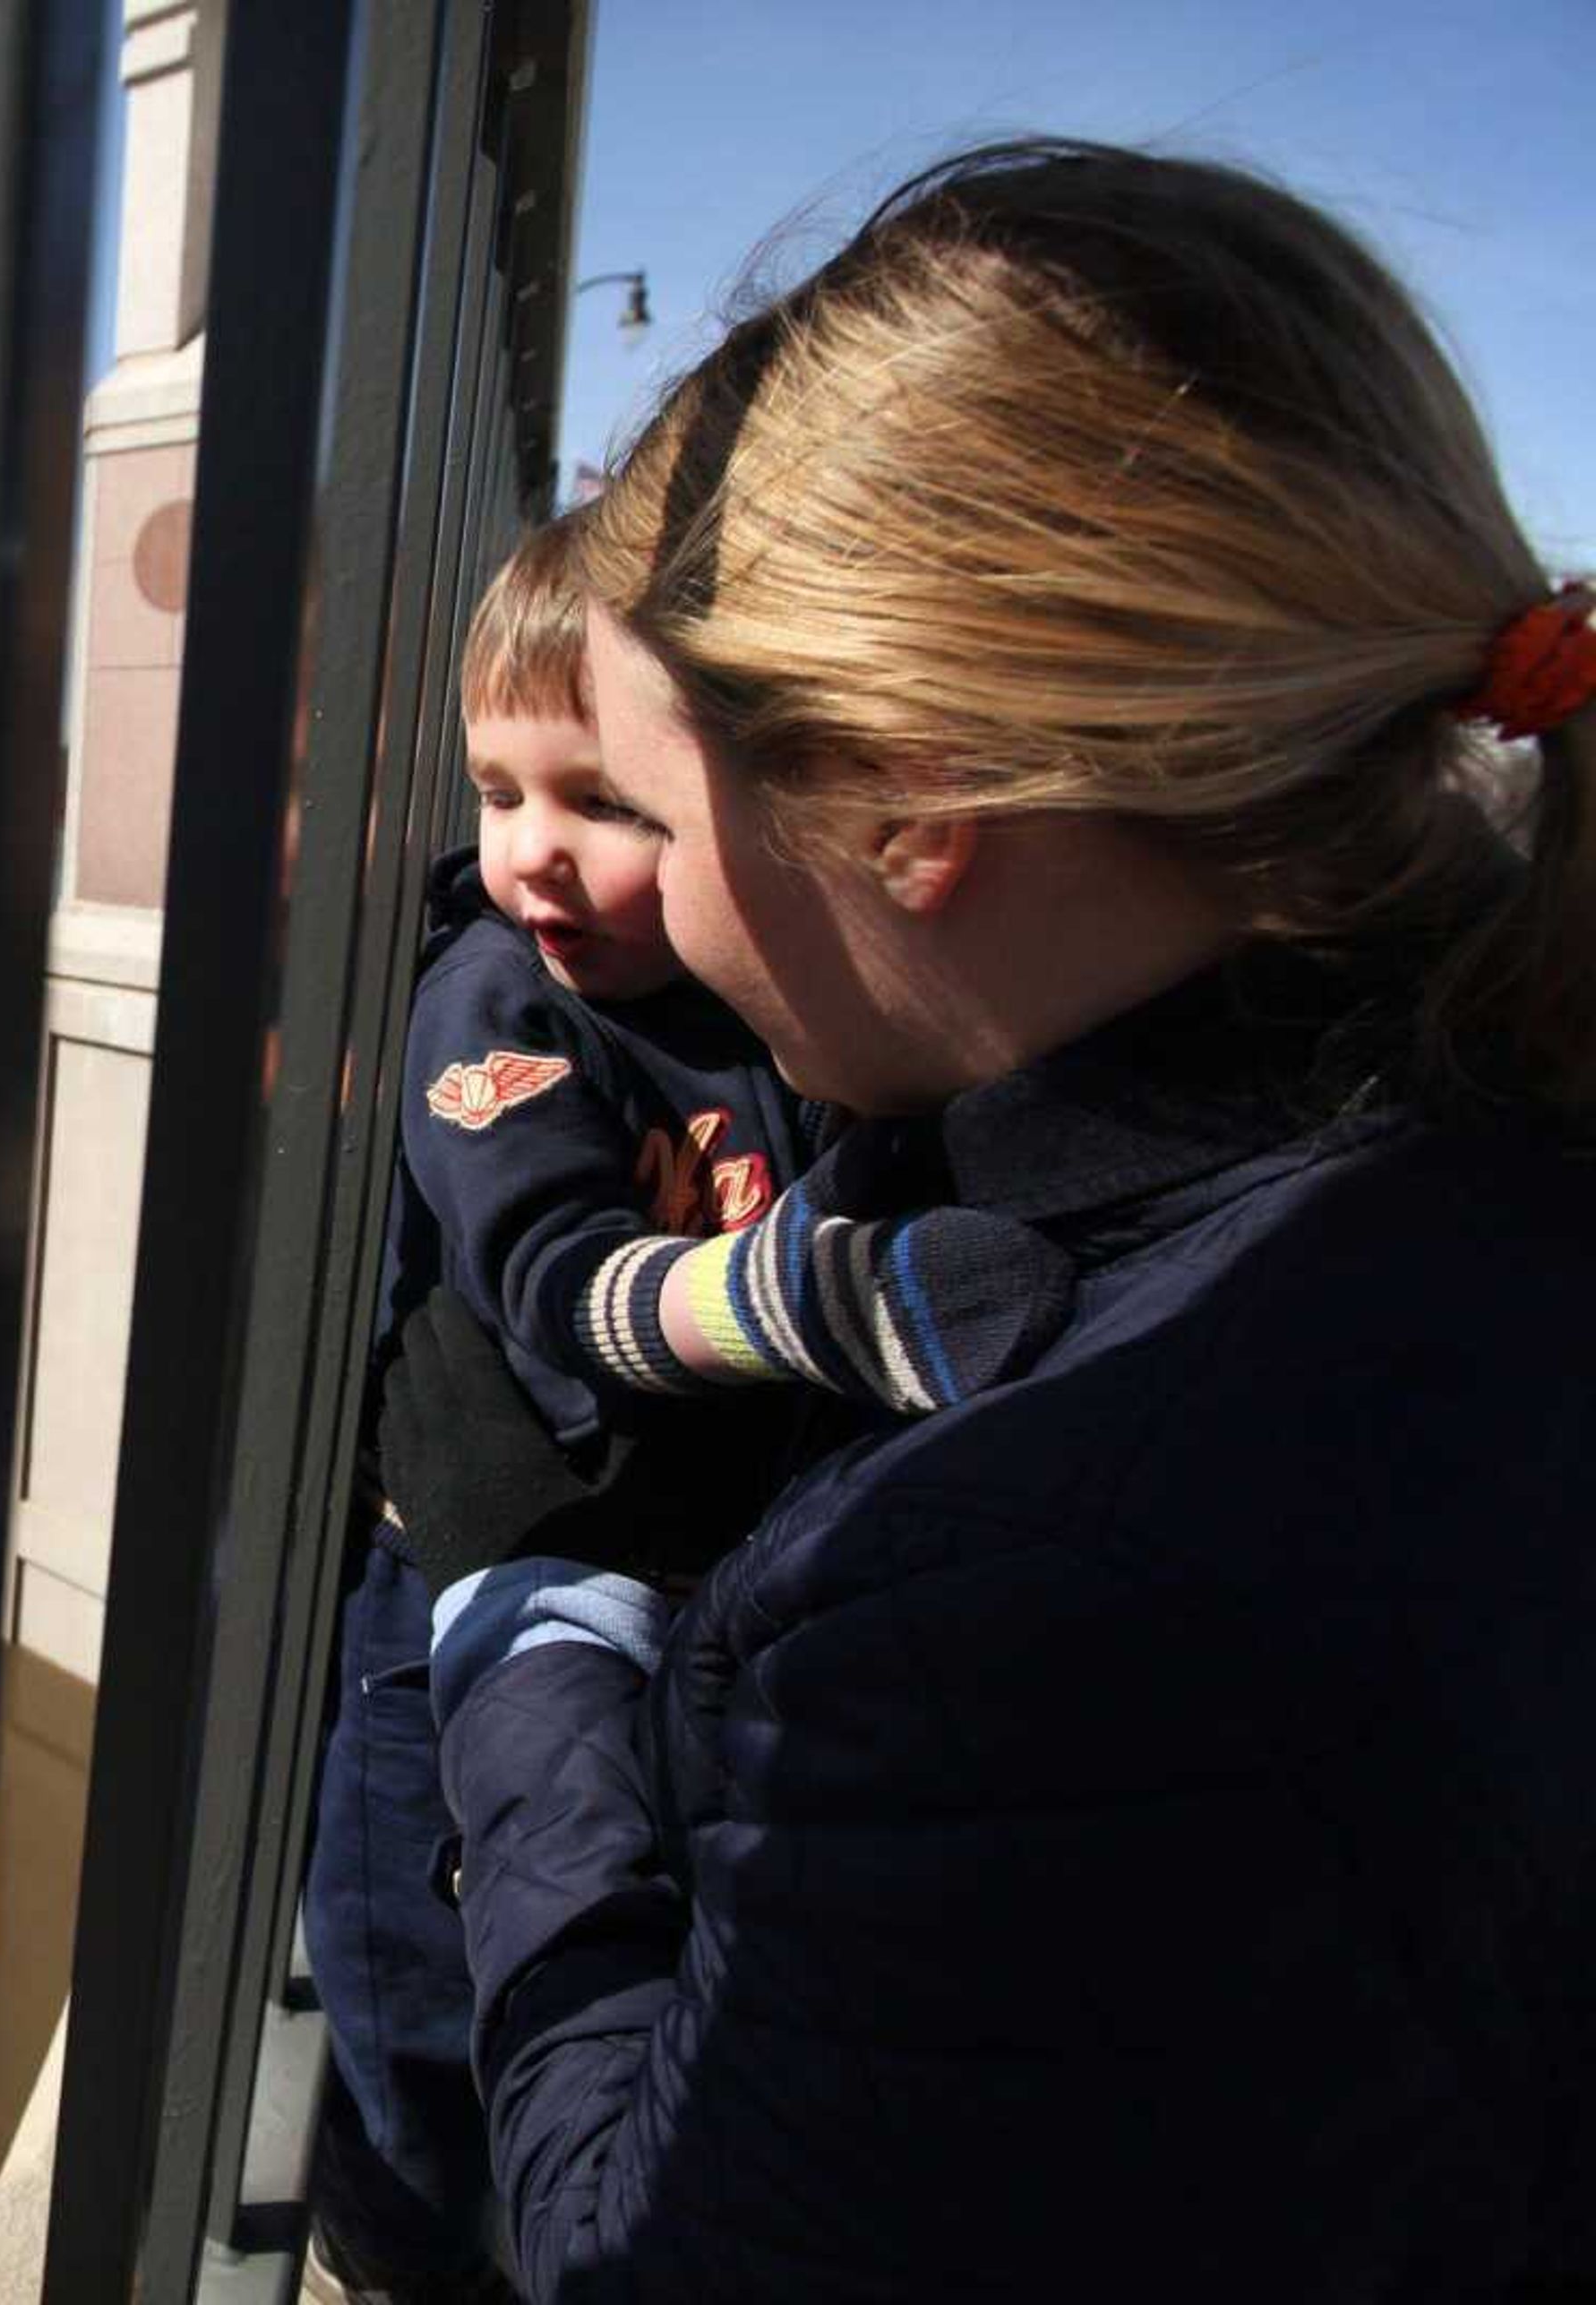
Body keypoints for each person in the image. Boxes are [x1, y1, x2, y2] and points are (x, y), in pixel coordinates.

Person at [408, 138, 1596, 2301]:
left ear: (909, 806)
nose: (655, 899)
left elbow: (642, 2256)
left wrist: (527, 1637)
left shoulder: (1048, 1597)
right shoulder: (1500, 1109)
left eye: (660, 816)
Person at [305, 519, 1070, 2301]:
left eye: (605, 806)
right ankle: (401, 2241)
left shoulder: (771, 997)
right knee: (413, 1959)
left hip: (700, 1568)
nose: (531, 859)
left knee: (640, 1908)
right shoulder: (492, 1000)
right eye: (495, 791)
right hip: (472, 1587)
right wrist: (823, 1299)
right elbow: (557, 1286)